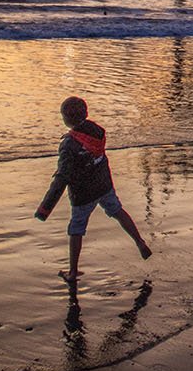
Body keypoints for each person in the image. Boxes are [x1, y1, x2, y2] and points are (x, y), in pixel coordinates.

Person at [33, 96, 151, 279]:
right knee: (118, 211)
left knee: (76, 229)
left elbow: (62, 178)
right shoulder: (96, 131)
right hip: (104, 186)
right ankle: (140, 242)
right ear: (86, 114)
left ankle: (72, 272)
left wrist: (44, 209)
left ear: (66, 119)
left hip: (83, 194)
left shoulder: (69, 145)